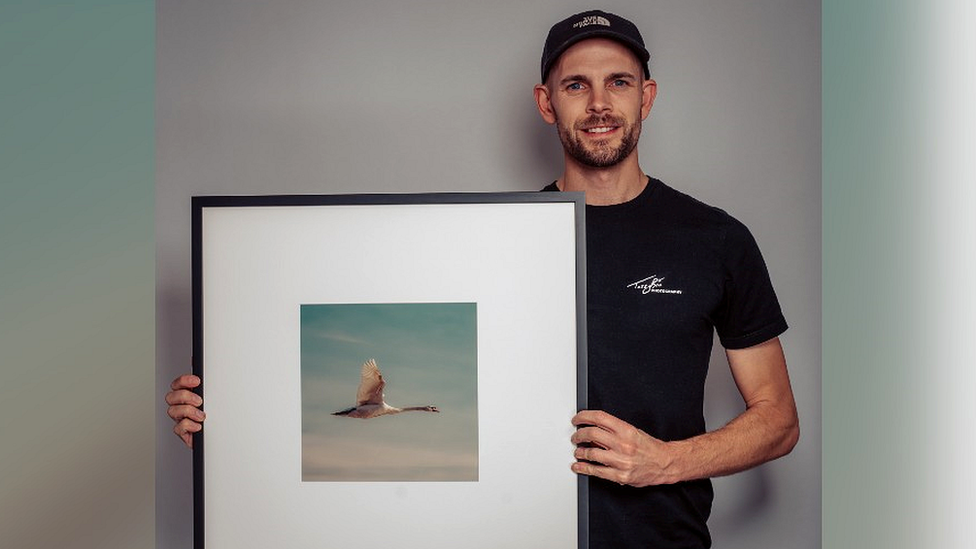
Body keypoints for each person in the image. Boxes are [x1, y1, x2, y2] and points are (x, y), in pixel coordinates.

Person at [167, 9, 799, 548]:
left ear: (648, 96)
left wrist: (666, 462)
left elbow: (779, 419)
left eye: (619, 83)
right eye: (576, 85)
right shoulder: (493, 246)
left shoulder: (715, 239)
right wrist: (233, 417)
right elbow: (392, 337)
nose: (601, 103)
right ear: (546, 103)